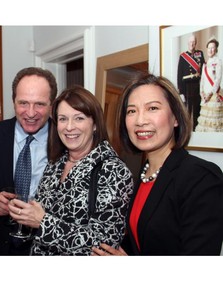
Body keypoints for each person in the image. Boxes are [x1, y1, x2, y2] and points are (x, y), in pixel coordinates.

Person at [92, 73, 223, 256]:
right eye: (131, 111)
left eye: (152, 108)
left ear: (175, 118)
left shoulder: (201, 177)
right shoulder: (145, 173)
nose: (140, 120)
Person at [8, 85, 134, 255]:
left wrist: (43, 222)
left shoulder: (113, 171)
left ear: (95, 124)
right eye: (62, 119)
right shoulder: (55, 163)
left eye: (79, 118)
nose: (69, 127)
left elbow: (105, 244)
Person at [0, 67, 58, 255]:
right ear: (13, 101)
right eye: (23, 103)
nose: (31, 113)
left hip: (51, 246)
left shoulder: (65, 139)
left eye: (40, 104)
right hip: (4, 244)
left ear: (52, 105)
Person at [177, 34, 205, 131]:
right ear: (187, 43)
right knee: (187, 111)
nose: (192, 44)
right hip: (186, 87)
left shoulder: (200, 54)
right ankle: (186, 131)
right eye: (190, 42)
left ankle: (195, 130)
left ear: (195, 43)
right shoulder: (183, 56)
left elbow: (203, 71)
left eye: (193, 42)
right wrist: (180, 92)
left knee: (197, 110)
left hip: (197, 85)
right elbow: (179, 74)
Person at [195, 37, 223, 132]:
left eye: (213, 48)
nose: (210, 50)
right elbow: (202, 80)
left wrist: (210, 94)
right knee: (204, 122)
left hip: (213, 95)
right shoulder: (205, 64)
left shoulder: (218, 62)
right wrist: (202, 93)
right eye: (209, 48)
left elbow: (218, 79)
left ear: (216, 49)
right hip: (205, 97)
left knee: (213, 123)